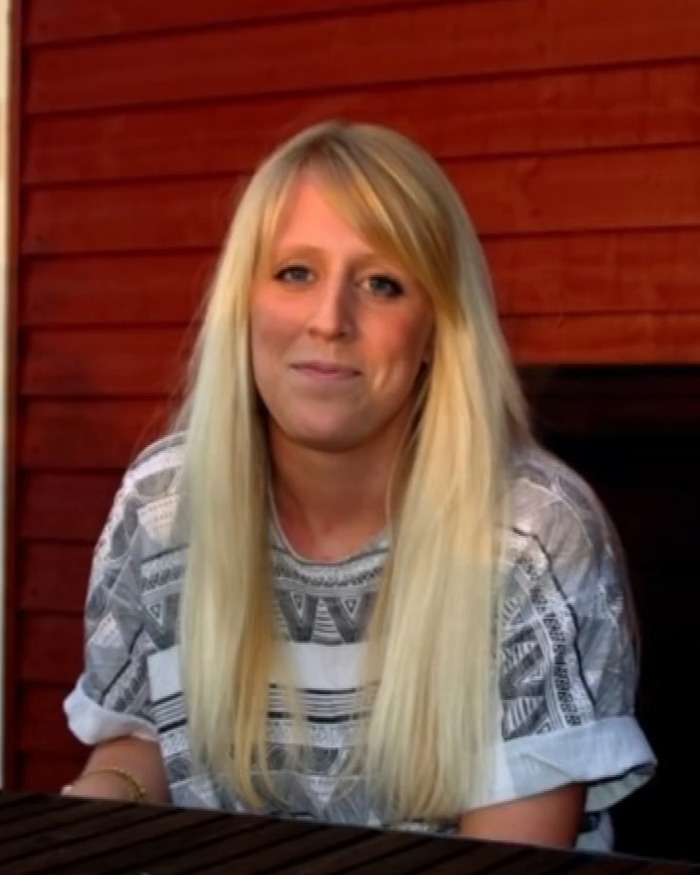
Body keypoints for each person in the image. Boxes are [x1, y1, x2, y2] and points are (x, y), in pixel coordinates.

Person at [62, 121, 655, 851]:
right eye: (295, 273)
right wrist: (101, 799)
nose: (329, 320)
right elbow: (144, 740)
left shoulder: (531, 534)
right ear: (242, 302)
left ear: (438, 330)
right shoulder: (161, 505)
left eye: (381, 284)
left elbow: (512, 856)